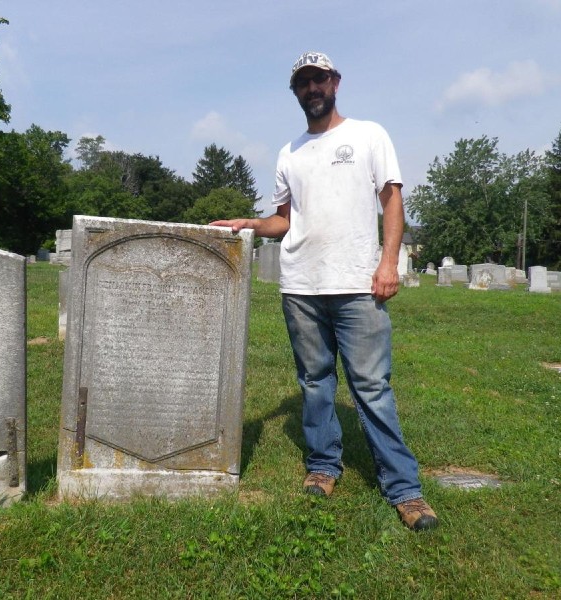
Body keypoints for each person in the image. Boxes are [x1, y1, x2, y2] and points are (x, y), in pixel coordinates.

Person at [211, 51, 438, 531]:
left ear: (335, 82)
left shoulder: (369, 135)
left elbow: (392, 200)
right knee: (315, 383)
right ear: (295, 92)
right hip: (301, 287)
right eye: (302, 83)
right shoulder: (288, 153)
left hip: (358, 284)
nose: (311, 88)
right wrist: (251, 222)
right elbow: (284, 220)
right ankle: (323, 465)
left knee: (372, 388)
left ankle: (405, 490)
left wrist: (388, 263)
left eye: (319, 79)